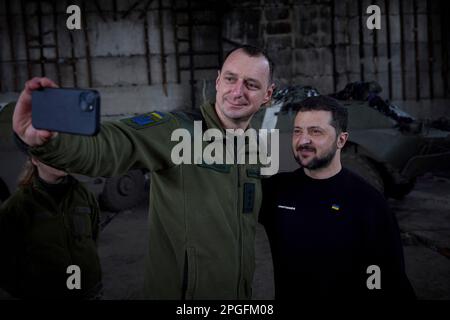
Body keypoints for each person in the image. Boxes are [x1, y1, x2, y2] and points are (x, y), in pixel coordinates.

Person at [12, 45, 275, 299]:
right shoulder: (176, 131)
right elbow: (112, 144)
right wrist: (51, 141)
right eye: (231, 78)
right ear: (218, 81)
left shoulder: (252, 148)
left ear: (267, 95)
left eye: (251, 84)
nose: (237, 91)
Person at [259, 95, 415, 299]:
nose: (303, 140)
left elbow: (389, 282)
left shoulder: (369, 203)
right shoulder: (275, 191)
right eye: (298, 131)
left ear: (341, 139)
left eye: (316, 132)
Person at [0, 157, 102, 299]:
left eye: (61, 153)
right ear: (35, 160)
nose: (60, 157)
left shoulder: (84, 195)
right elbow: (5, 260)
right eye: (52, 153)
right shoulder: (17, 206)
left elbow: (93, 237)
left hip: (87, 291)